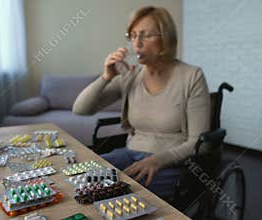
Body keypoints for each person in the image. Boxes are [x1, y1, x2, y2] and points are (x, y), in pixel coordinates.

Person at [73, 6, 211, 198]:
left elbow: (199, 143)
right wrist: (106, 76)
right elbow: (80, 109)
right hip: (129, 154)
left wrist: (156, 160)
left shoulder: (191, 76)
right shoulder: (131, 75)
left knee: (118, 194)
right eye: (133, 35)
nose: (136, 43)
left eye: (146, 36)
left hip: (169, 163)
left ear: (166, 39)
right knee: (79, 176)